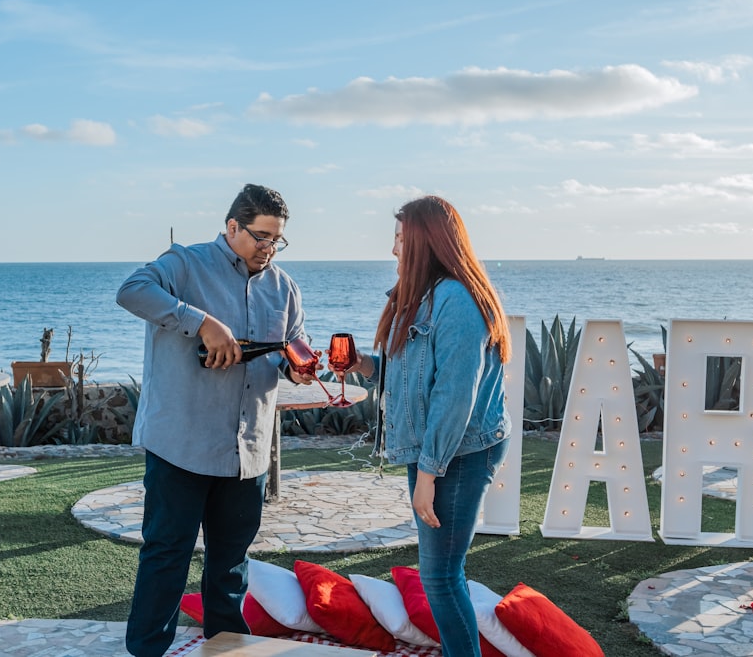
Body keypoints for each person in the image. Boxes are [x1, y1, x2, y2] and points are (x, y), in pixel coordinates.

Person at [116, 183, 315, 657]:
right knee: (167, 556)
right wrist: (202, 321)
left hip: (247, 451)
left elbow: (294, 344)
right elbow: (131, 291)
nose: (268, 249)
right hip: (181, 442)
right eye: (260, 237)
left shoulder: (284, 287)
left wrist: (302, 366)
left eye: (276, 240)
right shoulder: (184, 263)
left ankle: (227, 650)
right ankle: (146, 651)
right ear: (232, 227)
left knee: (230, 566)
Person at [343, 195, 512, 657]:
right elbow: (419, 376)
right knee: (440, 572)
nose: (394, 250)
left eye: (400, 240)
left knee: (440, 575)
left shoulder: (457, 300)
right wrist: (365, 365)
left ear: (426, 242)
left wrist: (428, 475)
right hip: (439, 450)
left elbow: (454, 396)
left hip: (458, 452)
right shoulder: (422, 295)